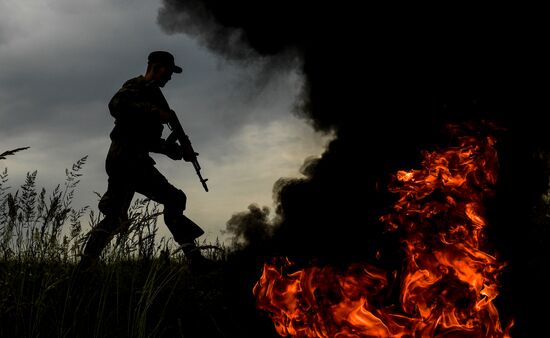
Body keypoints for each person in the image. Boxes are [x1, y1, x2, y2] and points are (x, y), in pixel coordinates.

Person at [78, 51, 212, 272]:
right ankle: (85, 267)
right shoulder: (136, 86)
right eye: (168, 72)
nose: (169, 78)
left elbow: (149, 141)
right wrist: (154, 111)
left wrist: (179, 152)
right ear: (156, 67)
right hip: (126, 159)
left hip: (134, 159)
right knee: (159, 203)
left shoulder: (154, 94)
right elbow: (115, 105)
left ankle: (85, 267)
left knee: (162, 203)